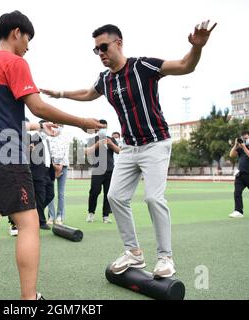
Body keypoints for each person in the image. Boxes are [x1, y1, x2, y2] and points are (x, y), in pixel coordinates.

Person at [41, 21, 217, 278]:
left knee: (153, 198)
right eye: (96, 50)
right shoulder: (105, 79)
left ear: (119, 43)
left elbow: (184, 66)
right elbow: (88, 93)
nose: (100, 53)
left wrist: (197, 48)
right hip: (128, 147)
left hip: (156, 143)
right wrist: (59, 93)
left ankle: (165, 257)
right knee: (115, 197)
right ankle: (133, 253)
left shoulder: (142, 66)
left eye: (103, 47)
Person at [0, 10, 102, 300]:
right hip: (4, 151)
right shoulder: (15, 62)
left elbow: (1, 114)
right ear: (16, 33)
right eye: (28, 38)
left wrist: (39, 125)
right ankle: (29, 298)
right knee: (28, 224)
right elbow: (37, 106)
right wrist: (83, 122)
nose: (28, 45)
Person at [85, 119, 120, 224]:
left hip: (110, 170)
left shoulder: (111, 139)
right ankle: (91, 213)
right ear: (97, 128)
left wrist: (111, 144)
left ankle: (105, 216)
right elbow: (86, 152)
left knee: (108, 194)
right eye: (101, 127)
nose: (103, 129)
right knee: (94, 192)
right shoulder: (93, 139)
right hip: (97, 170)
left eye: (104, 127)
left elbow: (119, 151)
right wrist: (97, 145)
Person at [29, 120, 55, 231]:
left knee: (50, 195)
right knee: (40, 197)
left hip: (48, 171)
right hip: (37, 172)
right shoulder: (33, 138)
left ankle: (34, 213)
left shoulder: (47, 140)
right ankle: (41, 221)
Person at [47, 124, 70, 225]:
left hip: (63, 166)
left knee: (61, 193)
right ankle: (51, 216)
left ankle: (60, 216)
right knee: (50, 193)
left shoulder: (66, 137)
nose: (58, 126)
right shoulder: (48, 137)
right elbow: (48, 152)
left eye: (60, 125)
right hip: (50, 167)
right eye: (56, 124)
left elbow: (65, 152)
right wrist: (53, 165)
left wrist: (59, 166)